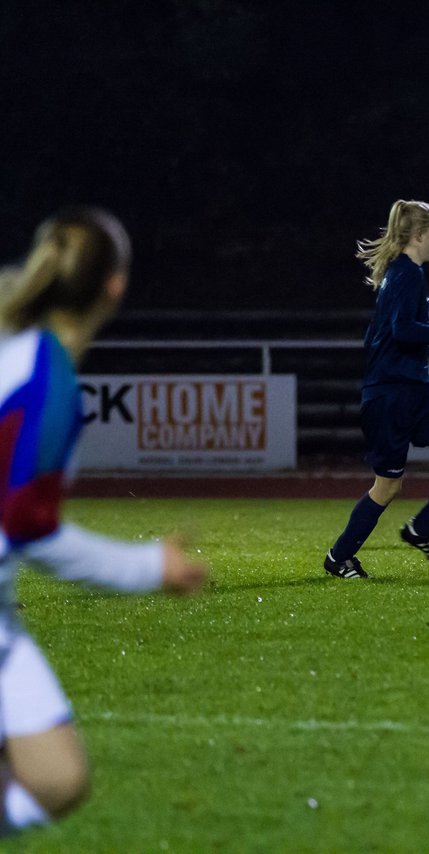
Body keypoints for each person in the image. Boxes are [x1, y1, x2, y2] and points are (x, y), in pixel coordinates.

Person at [0, 207, 208, 836]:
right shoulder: (45, 379)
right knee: (53, 779)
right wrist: (150, 567)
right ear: (114, 286)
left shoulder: (23, 350)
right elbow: (29, 526)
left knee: (58, 780)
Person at [323, 200, 429, 579]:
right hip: (392, 398)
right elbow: (402, 330)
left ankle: (420, 528)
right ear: (418, 235)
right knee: (387, 487)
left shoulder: (403, 274)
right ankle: (338, 557)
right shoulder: (406, 274)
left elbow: (379, 335)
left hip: (414, 392)